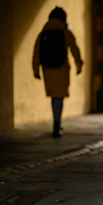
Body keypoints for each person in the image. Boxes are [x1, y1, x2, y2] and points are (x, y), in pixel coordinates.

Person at [32, 7, 83, 138]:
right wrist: (79, 64)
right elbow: (74, 48)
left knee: (54, 96)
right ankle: (57, 123)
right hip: (61, 68)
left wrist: (36, 70)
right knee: (59, 97)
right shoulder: (65, 32)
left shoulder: (43, 33)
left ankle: (57, 122)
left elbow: (36, 52)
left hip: (47, 69)